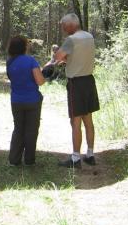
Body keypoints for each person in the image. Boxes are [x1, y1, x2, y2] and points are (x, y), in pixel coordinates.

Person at [52, 13, 99, 168]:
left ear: (71, 25)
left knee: (75, 121)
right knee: (88, 120)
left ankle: (75, 158)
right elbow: (78, 56)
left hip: (76, 83)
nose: (64, 29)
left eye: (64, 26)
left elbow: (58, 57)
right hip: (89, 80)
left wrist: (57, 52)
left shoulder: (71, 40)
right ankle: (90, 154)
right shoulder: (89, 37)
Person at [6, 35, 45, 166]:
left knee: (18, 129)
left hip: (16, 100)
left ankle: (14, 159)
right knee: (31, 130)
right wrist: (45, 75)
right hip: (32, 100)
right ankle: (29, 160)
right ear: (23, 47)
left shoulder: (9, 62)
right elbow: (40, 81)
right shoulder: (31, 61)